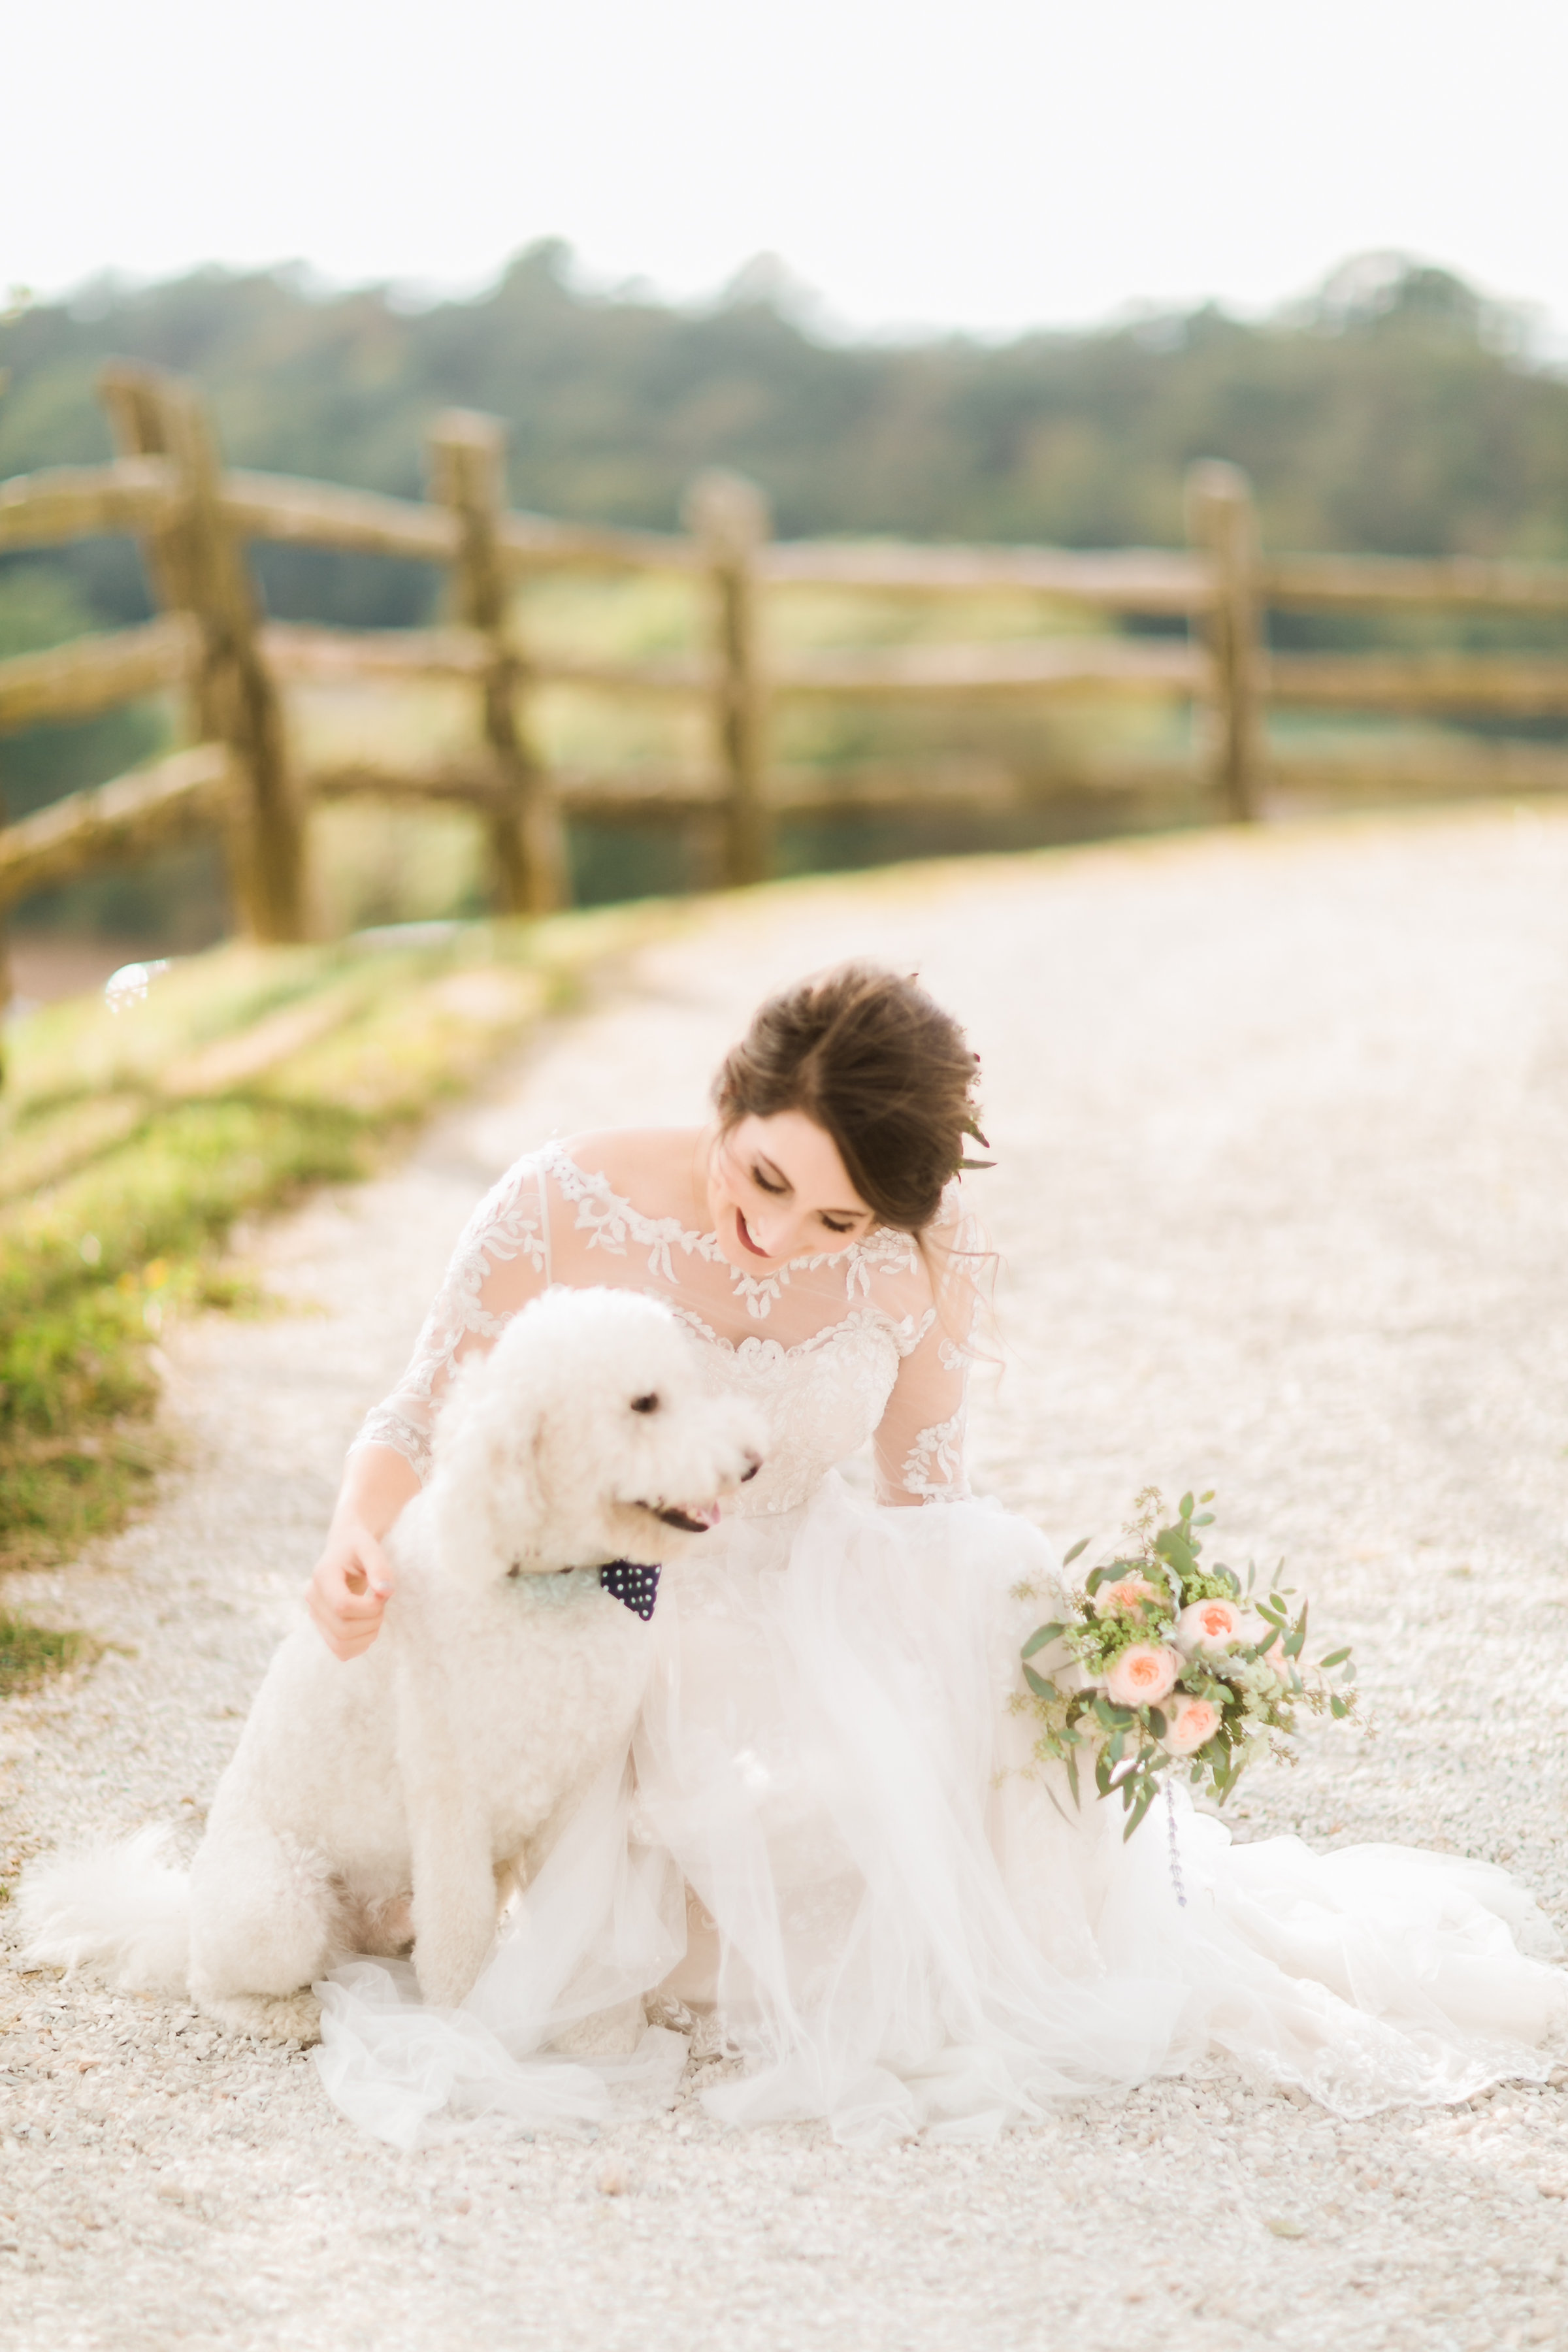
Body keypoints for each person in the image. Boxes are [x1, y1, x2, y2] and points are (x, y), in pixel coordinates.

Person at [306, 963, 1565, 2149]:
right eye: (764, 1175)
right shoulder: (559, 1203)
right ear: (730, 1098)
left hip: (806, 1587)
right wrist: (355, 1540)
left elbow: (928, 1499)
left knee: (978, 1665)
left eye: (836, 1215)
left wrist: (1017, 1671)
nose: (783, 1230)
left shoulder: (921, 1251)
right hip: (619, 1602)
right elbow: (418, 1413)